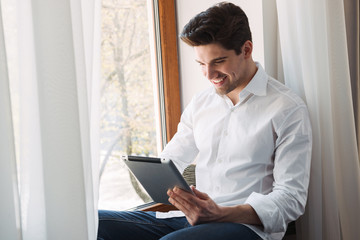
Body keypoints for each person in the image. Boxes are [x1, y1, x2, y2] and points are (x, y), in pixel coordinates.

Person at [97, 2, 312, 240]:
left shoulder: (288, 109)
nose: (209, 75)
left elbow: (291, 199)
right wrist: (164, 184)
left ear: (247, 49)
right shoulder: (201, 103)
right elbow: (172, 160)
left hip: (246, 227)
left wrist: (221, 214)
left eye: (218, 62)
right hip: (189, 219)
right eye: (201, 64)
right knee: (92, 222)